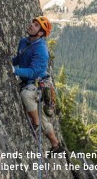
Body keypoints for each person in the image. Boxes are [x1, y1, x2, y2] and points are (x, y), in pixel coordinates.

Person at [12, 16, 64, 153]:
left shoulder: (41, 50)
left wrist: (14, 71)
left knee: (26, 95)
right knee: (41, 116)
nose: (31, 25)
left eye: (35, 25)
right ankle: (55, 144)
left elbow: (34, 72)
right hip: (28, 80)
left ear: (40, 33)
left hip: (38, 83)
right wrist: (10, 63)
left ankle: (36, 123)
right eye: (32, 23)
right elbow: (19, 57)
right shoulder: (24, 41)